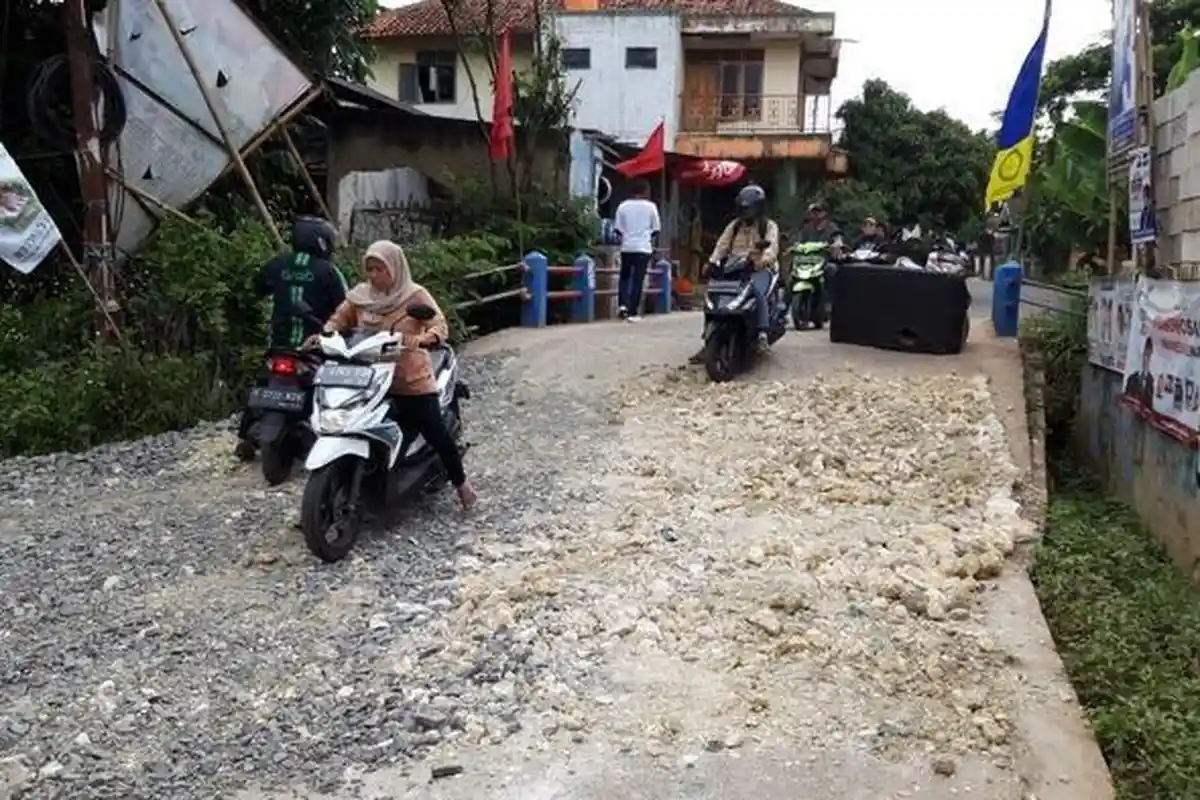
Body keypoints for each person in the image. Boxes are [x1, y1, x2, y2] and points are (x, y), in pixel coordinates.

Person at [314, 240, 477, 510]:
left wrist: (426, 338)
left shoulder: (414, 295)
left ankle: (462, 485)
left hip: (409, 380)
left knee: (435, 431)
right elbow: (339, 319)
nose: (373, 275)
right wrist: (327, 334)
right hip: (368, 377)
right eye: (370, 269)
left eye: (380, 269)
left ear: (395, 268)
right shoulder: (360, 296)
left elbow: (438, 324)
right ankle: (328, 495)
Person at [235, 215, 348, 456]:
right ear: (321, 241)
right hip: (317, 346)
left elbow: (257, 288)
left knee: (264, 382)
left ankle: (245, 436)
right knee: (334, 385)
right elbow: (346, 309)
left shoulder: (278, 264)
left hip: (279, 344)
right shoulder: (329, 271)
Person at [689, 184, 780, 362]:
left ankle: (762, 334)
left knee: (756, 291)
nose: (746, 212)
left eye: (750, 208)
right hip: (734, 266)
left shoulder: (768, 226)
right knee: (714, 294)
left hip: (759, 267)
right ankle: (708, 339)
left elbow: (772, 247)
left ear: (759, 208)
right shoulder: (734, 226)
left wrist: (762, 260)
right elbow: (722, 246)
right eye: (743, 208)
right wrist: (711, 262)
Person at [612, 179, 661, 322]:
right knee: (638, 279)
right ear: (645, 191)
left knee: (625, 277)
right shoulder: (651, 207)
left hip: (627, 247)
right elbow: (656, 229)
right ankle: (633, 311)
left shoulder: (623, 206)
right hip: (643, 248)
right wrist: (645, 236)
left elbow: (618, 229)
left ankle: (622, 305)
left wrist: (629, 236)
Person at [1123, 336, 1156, 412]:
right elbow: (1126, 400)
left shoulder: (1150, 380)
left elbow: (1149, 405)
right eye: (1145, 355)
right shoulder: (1132, 378)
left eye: (1149, 356)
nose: (1146, 359)